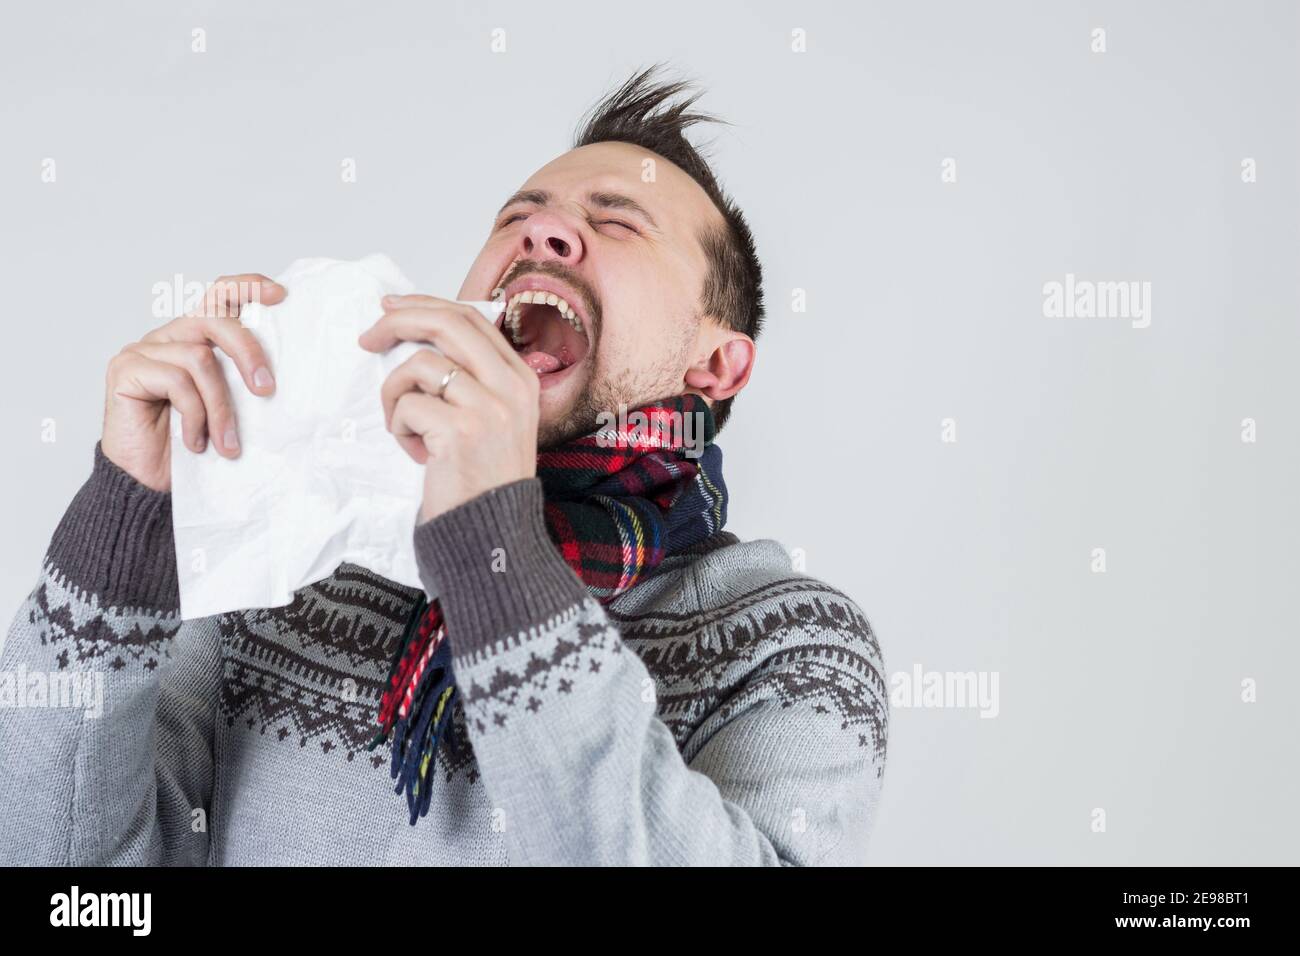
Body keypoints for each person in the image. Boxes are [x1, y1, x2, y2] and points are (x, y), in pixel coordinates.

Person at [0, 66, 888, 866]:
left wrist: (492, 546)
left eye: (617, 219)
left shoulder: (793, 643)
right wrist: (123, 532)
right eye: (516, 216)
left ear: (717, 365)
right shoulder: (289, 569)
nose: (543, 230)